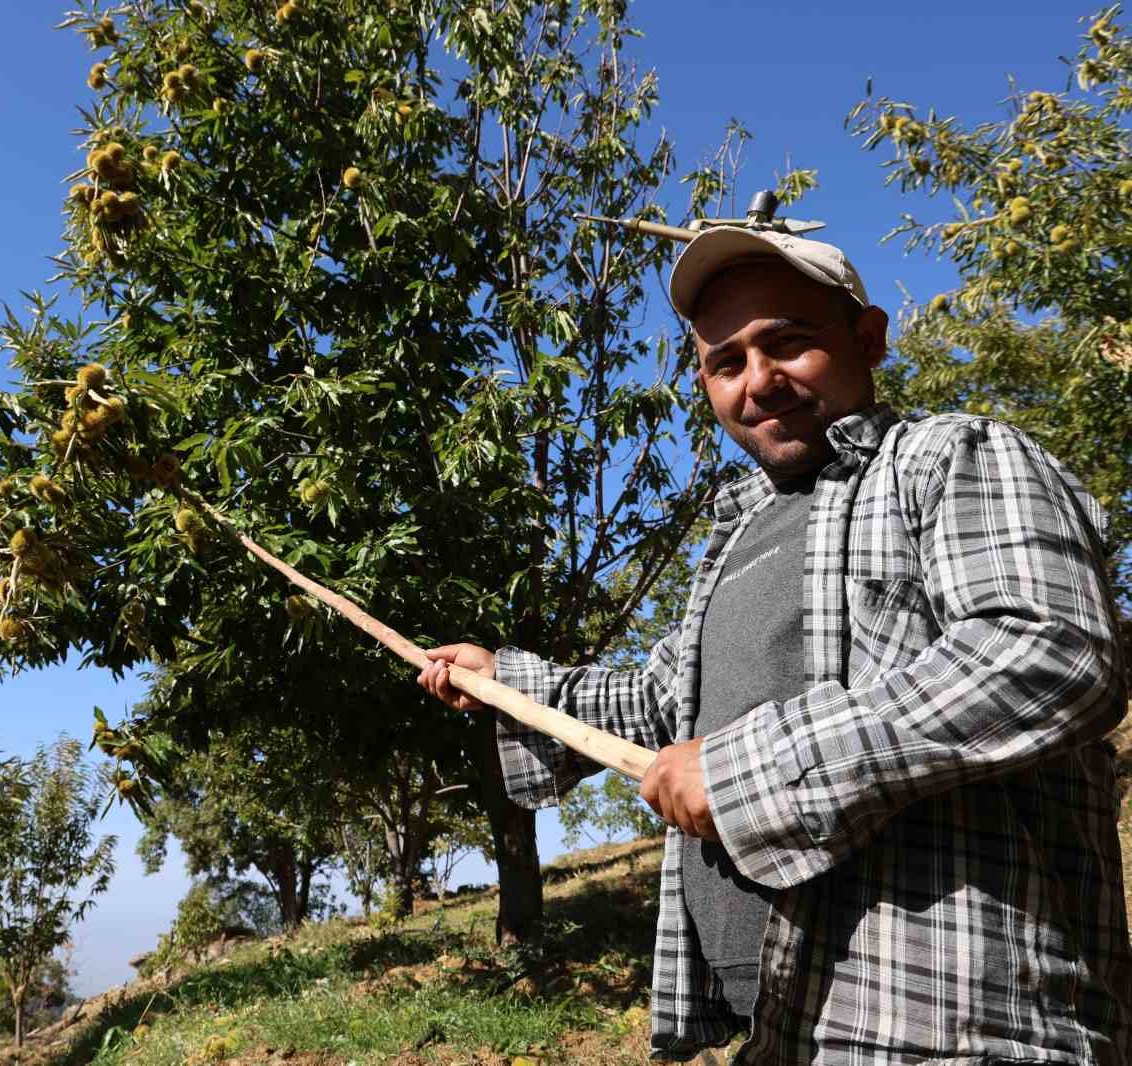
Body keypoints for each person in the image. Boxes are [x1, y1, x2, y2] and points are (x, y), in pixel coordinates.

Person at [417, 226, 1131, 1065]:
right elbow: (660, 706)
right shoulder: (740, 535)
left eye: (788, 343)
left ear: (867, 338)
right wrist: (510, 681)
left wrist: (748, 770)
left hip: (955, 1020)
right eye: (727, 363)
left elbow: (1047, 652)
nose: (759, 382)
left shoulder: (951, 457)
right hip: (787, 1022)